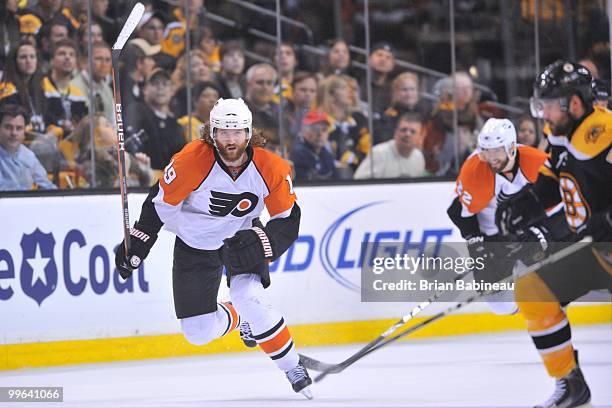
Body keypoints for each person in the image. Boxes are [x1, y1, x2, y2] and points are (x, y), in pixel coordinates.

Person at [114, 98, 313, 399]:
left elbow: (288, 219)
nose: (230, 140)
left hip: (241, 240)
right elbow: (160, 203)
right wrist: (140, 242)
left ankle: (292, 366)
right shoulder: (192, 160)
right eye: (223, 132)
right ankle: (239, 318)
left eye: (237, 132)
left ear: (249, 133)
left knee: (251, 297)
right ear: (211, 132)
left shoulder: (270, 167)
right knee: (197, 331)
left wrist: (264, 244)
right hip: (195, 242)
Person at [497, 60, 611, 408]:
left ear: (573, 103)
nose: (543, 111)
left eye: (549, 103)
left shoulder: (605, 131)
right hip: (595, 249)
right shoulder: (560, 133)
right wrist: (525, 203)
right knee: (532, 290)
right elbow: (552, 178)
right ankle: (571, 385)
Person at [447, 117, 569, 315]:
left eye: (496, 150)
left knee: (555, 277)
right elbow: (458, 213)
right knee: (500, 305)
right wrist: (478, 246)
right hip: (490, 234)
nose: (491, 157)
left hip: (525, 228)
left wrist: (542, 233)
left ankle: (537, 296)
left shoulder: (536, 163)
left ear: (511, 147)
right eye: (485, 150)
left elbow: (560, 206)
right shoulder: (475, 170)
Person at [125, 68, 185, 171]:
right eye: (155, 84)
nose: (160, 88)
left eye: (165, 84)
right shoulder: (137, 112)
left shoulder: (175, 125)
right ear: (145, 89)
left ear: (172, 90)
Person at [318, 75, 371, 177]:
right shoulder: (319, 122)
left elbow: (367, 152)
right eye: (343, 88)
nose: (349, 91)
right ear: (330, 95)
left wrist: (355, 159)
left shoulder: (358, 120)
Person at [0, 104, 57, 191]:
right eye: (8, 127)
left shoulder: (28, 156)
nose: (14, 133)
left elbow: (46, 185)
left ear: (24, 132)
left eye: (19, 128)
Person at [354, 112, 426, 179]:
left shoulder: (419, 157)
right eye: (403, 130)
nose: (407, 134)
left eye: (413, 132)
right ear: (395, 133)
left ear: (419, 137)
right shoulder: (379, 153)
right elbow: (359, 182)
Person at [42, 38, 88, 141]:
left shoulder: (78, 94)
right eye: (62, 53)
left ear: (76, 62)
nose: (67, 57)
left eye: (72, 55)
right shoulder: (41, 87)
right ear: (52, 60)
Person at [0, 40, 47, 134]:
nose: (28, 61)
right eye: (23, 57)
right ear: (14, 62)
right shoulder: (8, 91)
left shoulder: (39, 89)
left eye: (32, 57)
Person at [374, 72, 430, 144]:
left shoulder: (425, 115)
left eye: (412, 89)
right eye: (404, 89)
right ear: (395, 93)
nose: (409, 94)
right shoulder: (387, 117)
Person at [70, 41, 114, 123]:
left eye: (107, 60)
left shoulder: (108, 90)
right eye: (98, 59)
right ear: (85, 61)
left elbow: (113, 123)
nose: (103, 64)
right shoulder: (73, 87)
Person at [290, 110, 335, 182]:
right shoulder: (297, 154)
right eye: (315, 129)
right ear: (304, 131)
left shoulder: (327, 155)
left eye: (324, 130)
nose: (319, 134)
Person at [284, 72, 318, 145]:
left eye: (312, 91)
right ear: (292, 91)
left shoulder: (317, 117)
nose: (308, 94)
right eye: (303, 90)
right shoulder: (281, 112)